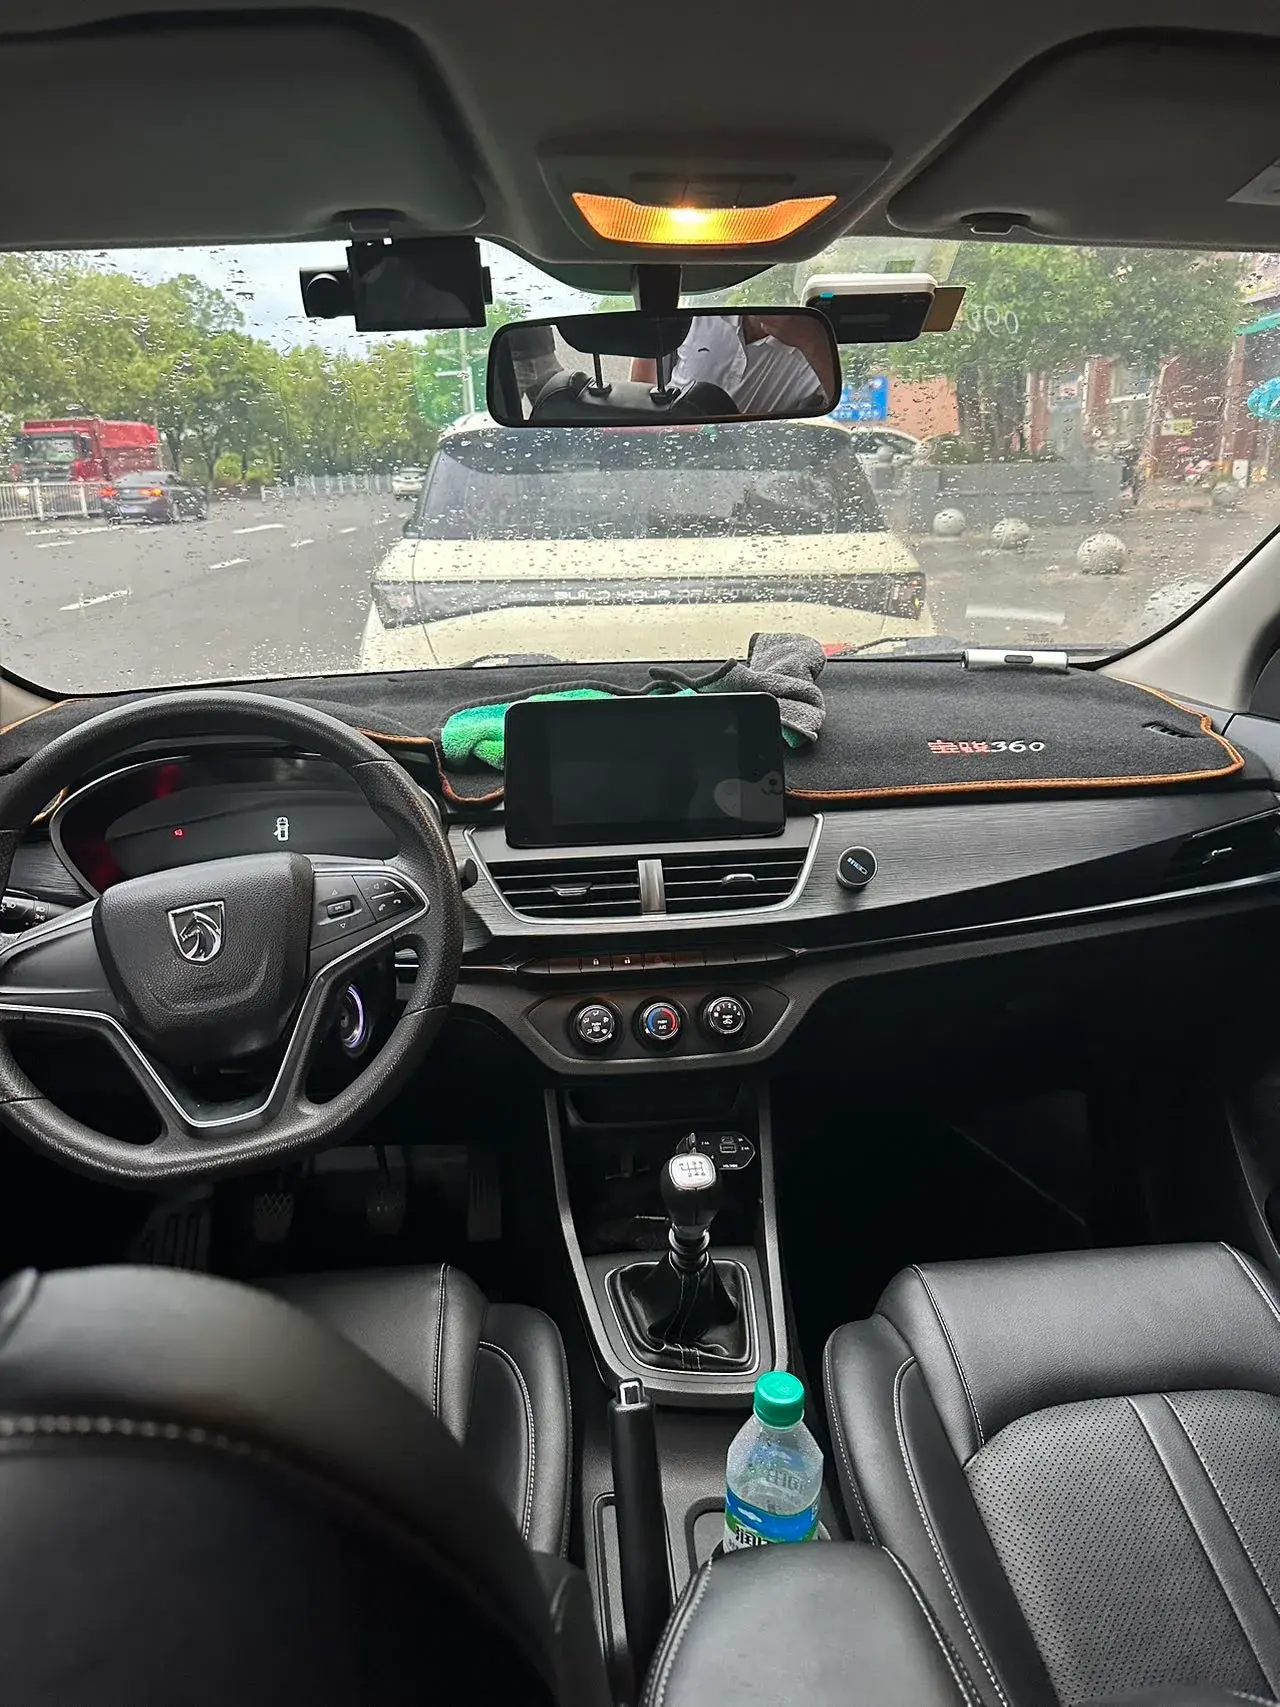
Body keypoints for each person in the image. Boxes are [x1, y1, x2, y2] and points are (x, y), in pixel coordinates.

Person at [631, 313, 837, 414]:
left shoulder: (819, 347)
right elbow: (642, 380)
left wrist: (811, 342)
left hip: (752, 465)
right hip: (673, 440)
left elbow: (841, 413)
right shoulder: (698, 312)